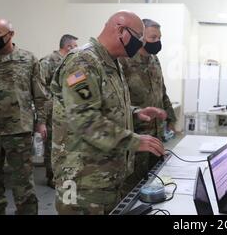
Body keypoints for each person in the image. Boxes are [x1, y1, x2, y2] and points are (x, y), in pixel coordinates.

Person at [50, 11, 167, 215]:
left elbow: (107, 107)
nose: (140, 45)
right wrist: (135, 141)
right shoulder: (82, 62)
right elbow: (84, 119)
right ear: (121, 30)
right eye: (138, 37)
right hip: (82, 179)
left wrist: (135, 113)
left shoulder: (111, 62)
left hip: (107, 175)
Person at [0, 18, 47, 215]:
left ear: (11, 34)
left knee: (22, 182)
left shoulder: (28, 59)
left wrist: (41, 121)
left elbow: (40, 95)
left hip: (18, 131)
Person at [120, 19, 177, 192]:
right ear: (140, 36)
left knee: (155, 179)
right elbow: (118, 100)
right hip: (135, 134)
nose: (157, 42)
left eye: (159, 37)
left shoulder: (154, 60)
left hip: (156, 133)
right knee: (133, 185)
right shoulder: (124, 61)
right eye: (153, 37)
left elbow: (162, 91)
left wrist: (170, 119)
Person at [39, 34, 78, 188]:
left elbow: (72, 84)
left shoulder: (72, 62)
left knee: (65, 144)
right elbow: (40, 89)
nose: (77, 49)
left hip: (68, 111)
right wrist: (40, 119)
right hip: (51, 110)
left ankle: (64, 174)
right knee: (51, 144)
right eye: (75, 46)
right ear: (68, 47)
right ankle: (51, 176)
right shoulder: (48, 61)